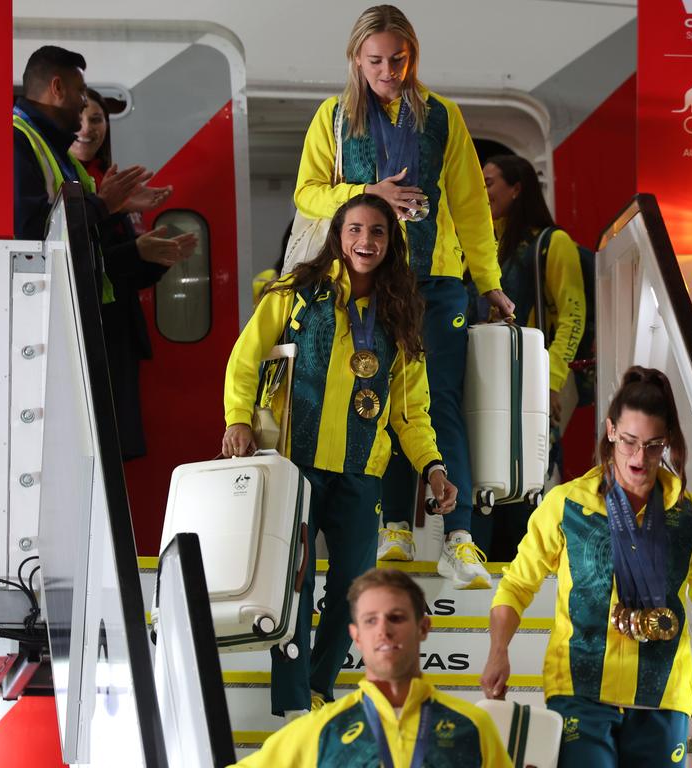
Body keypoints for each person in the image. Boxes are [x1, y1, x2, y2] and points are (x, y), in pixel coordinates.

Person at [480, 366, 692, 767]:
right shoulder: (567, 505)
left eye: (652, 445)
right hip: (581, 689)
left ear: (667, 444)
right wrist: (498, 650)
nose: (639, 459)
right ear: (610, 431)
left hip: (664, 698)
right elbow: (517, 585)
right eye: (628, 441)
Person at [292, 4, 514, 589]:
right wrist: (369, 191)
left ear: (412, 56)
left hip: (437, 283)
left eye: (399, 59)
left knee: (440, 404)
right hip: (363, 281)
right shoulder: (334, 118)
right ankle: (394, 525)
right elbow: (308, 193)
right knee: (378, 400)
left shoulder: (443, 116)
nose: (388, 70)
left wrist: (488, 282)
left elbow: (470, 205)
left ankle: (459, 537)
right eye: (376, 61)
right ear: (355, 61)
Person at [221, 194, 457, 720]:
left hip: (359, 474)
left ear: (390, 242)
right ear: (338, 235)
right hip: (294, 467)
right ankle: (292, 703)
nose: (365, 242)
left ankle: (319, 686)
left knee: (354, 590)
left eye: (376, 232)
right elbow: (245, 360)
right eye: (354, 230)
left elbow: (410, 411)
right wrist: (238, 418)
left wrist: (433, 467)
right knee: (297, 585)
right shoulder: (295, 295)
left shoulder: (400, 315)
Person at [232, 568, 512, 767]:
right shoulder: (322, 730)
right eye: (370, 621)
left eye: (396, 617)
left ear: (423, 627)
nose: (383, 631)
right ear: (356, 636)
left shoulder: (473, 726)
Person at [470, 154, 588, 559]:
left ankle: (527, 562)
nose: (481, 192)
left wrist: (551, 381)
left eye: (488, 183)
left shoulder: (550, 242)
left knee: (530, 472)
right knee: (487, 468)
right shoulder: (481, 244)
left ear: (517, 188)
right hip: (491, 381)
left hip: (537, 380)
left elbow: (573, 313)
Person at [69, 89, 196, 460]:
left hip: (117, 336)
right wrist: (133, 248)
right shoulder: (72, 182)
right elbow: (78, 261)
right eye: (79, 118)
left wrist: (158, 258)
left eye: (96, 119)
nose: (87, 128)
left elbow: (120, 272)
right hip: (87, 335)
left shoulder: (106, 182)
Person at [14, 46, 153, 242]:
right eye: (81, 91)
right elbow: (31, 229)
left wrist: (117, 207)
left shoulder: (57, 149)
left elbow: (82, 237)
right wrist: (102, 203)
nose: (85, 102)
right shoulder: (16, 140)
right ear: (58, 88)